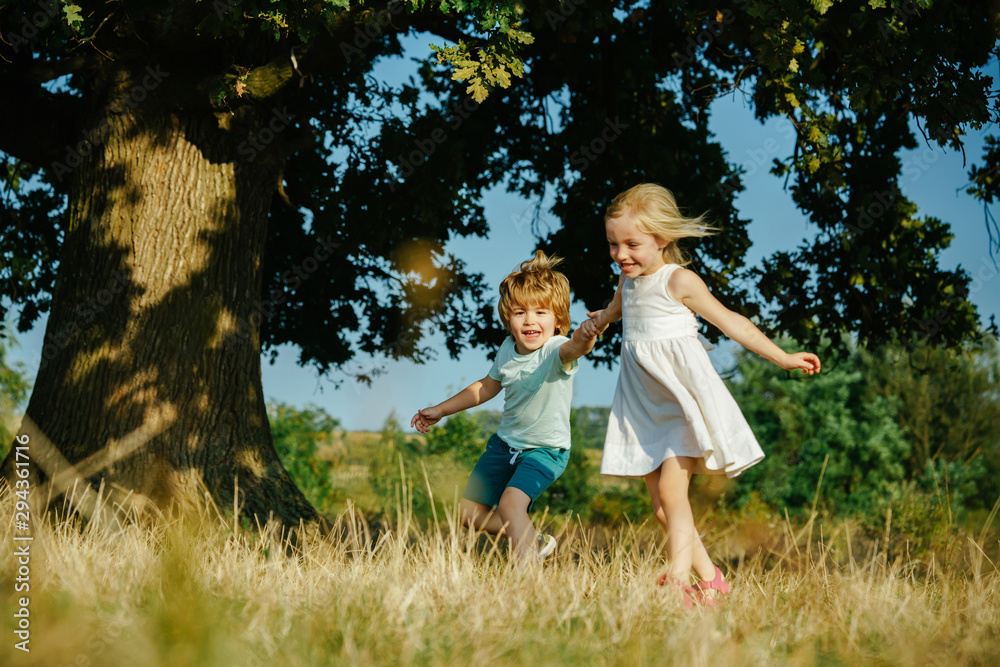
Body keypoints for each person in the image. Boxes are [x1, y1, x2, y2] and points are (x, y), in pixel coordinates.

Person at [584, 183, 821, 606]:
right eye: (613, 244)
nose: (621, 254)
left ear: (663, 237)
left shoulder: (679, 280)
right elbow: (611, 312)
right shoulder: (629, 284)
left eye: (632, 244)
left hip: (681, 403)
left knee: (675, 495)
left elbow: (733, 323)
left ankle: (677, 578)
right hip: (644, 405)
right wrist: (593, 325)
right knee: (661, 506)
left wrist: (783, 357)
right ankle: (712, 579)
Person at [411, 250, 599, 560]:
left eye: (541, 312)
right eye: (520, 312)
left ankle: (527, 582)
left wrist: (587, 336)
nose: (530, 320)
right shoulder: (507, 350)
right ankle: (532, 538)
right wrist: (440, 410)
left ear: (557, 320)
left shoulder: (555, 350)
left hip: (544, 450)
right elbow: (486, 387)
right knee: (468, 513)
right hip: (503, 447)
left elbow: (576, 346)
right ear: (508, 318)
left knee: (512, 504)